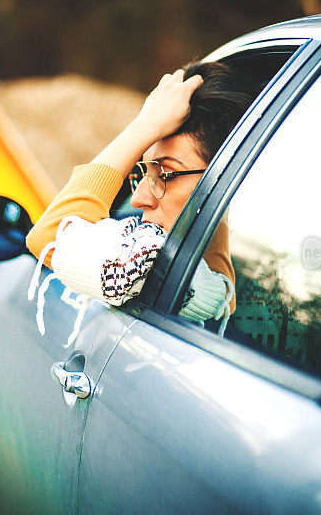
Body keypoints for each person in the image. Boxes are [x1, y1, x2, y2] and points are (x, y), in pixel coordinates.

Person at [26, 62, 258, 335]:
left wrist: (144, 126)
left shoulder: (142, 261)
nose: (138, 199)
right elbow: (224, 292)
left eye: (166, 174)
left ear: (223, 182)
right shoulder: (209, 290)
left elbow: (49, 236)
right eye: (145, 173)